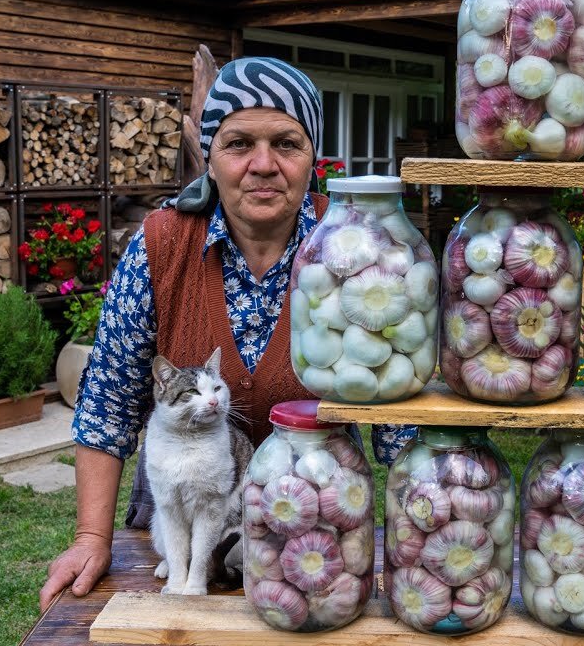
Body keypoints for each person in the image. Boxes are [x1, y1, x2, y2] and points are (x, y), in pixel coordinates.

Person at [39, 58, 415, 611]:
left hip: (319, 522)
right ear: (209, 158)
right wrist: (92, 540)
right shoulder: (161, 246)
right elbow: (108, 402)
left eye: (286, 143)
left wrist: (420, 534)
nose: (263, 166)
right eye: (239, 144)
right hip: (181, 514)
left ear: (314, 158)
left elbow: (401, 418)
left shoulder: (355, 249)